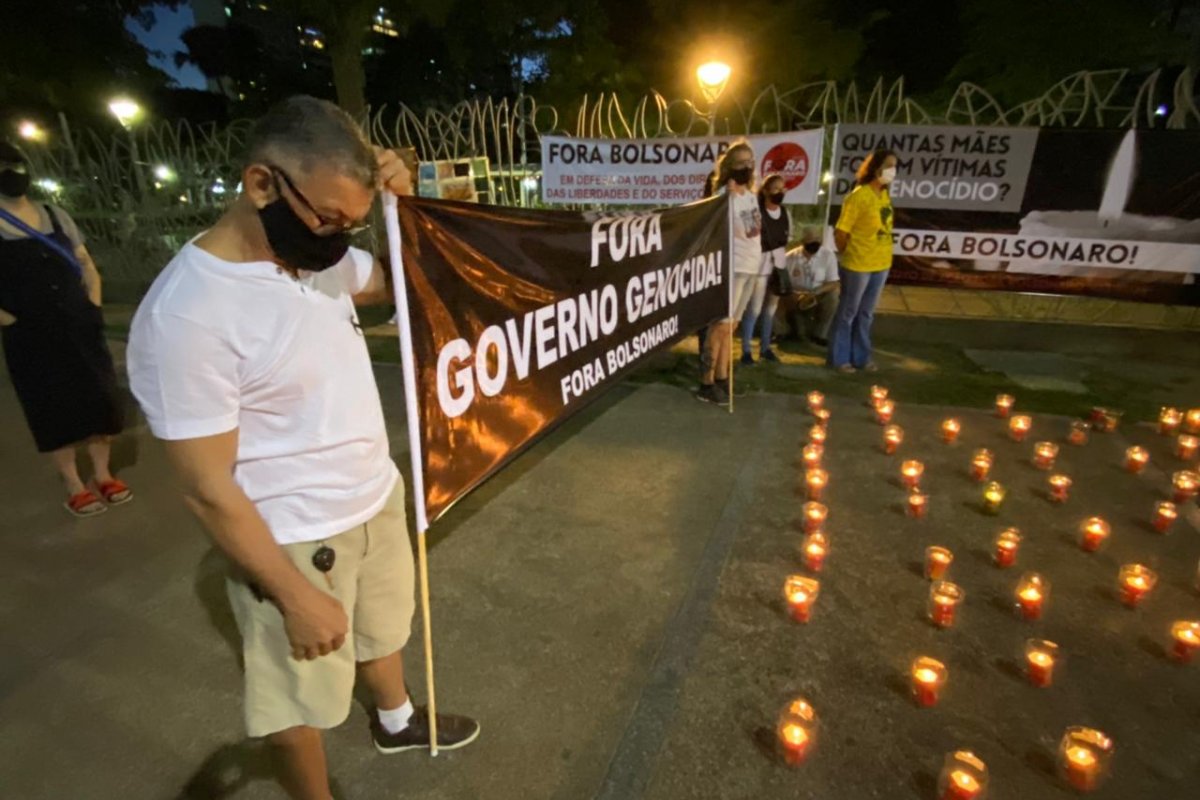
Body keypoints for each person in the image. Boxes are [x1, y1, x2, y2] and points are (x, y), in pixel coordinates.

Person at [126, 97, 478, 800]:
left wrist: (401, 209)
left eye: (349, 223)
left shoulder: (309, 253)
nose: (336, 239)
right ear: (262, 185)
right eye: (328, 220)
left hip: (373, 494)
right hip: (296, 540)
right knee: (298, 698)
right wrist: (292, 596)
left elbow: (387, 284)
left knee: (383, 627)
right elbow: (206, 487)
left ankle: (395, 719)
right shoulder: (189, 316)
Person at [0, 141, 130, 517]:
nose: (13, 172)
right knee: (52, 407)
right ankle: (74, 482)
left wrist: (93, 302)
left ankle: (104, 473)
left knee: (100, 399)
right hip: (30, 333)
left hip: (79, 324)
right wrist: (13, 321)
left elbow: (85, 262)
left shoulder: (54, 214)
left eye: (16, 163)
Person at [697, 141, 760, 405]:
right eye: (741, 162)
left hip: (751, 265)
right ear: (729, 166)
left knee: (732, 326)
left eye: (750, 161)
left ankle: (723, 378)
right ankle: (706, 383)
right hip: (732, 267)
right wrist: (728, 197)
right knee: (720, 326)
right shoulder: (724, 196)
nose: (747, 166)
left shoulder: (750, 194)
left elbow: (754, 229)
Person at [829, 148, 897, 373]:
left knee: (866, 314)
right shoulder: (858, 196)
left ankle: (861, 357)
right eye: (888, 165)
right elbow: (841, 232)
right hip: (858, 264)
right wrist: (848, 253)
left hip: (881, 263)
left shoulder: (885, 194)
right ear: (875, 168)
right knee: (848, 312)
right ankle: (840, 358)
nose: (892, 171)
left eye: (895, 166)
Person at [740, 174, 790, 364]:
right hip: (759, 266)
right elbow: (749, 236)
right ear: (766, 191)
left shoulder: (784, 212)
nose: (780, 192)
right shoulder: (756, 211)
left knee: (770, 310)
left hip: (777, 266)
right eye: (776, 188)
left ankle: (765, 348)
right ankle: (746, 350)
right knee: (753, 310)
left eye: (782, 188)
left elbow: (785, 238)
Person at [777, 225, 839, 346]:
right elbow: (782, 283)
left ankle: (820, 334)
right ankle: (782, 331)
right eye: (810, 241)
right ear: (803, 242)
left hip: (818, 293)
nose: (814, 244)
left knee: (833, 296)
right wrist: (795, 295)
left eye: (817, 240)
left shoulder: (828, 255)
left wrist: (816, 292)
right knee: (776, 296)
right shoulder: (790, 257)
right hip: (796, 296)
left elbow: (834, 282)